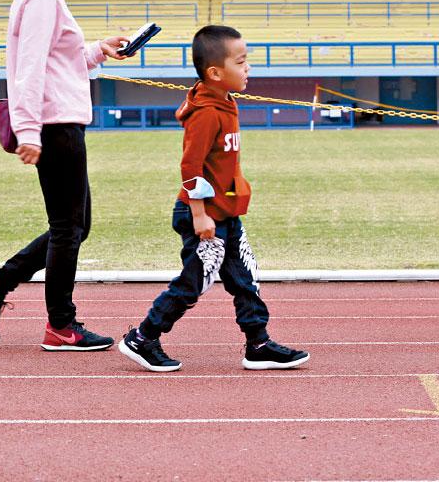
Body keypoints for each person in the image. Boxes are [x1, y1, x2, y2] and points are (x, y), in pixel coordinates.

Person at [0, 0, 129, 351]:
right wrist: (29, 131)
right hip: (55, 125)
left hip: (59, 122)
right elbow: (30, 69)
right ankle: (60, 324)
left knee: (75, 226)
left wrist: (97, 50)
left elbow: (59, 61)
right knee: (67, 228)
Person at [117, 25, 311, 372]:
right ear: (215, 73)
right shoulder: (206, 112)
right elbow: (190, 166)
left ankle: (258, 344)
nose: (248, 67)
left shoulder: (224, 100)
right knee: (193, 282)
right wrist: (199, 214)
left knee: (245, 279)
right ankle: (143, 337)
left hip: (226, 212)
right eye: (241, 61)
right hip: (203, 214)